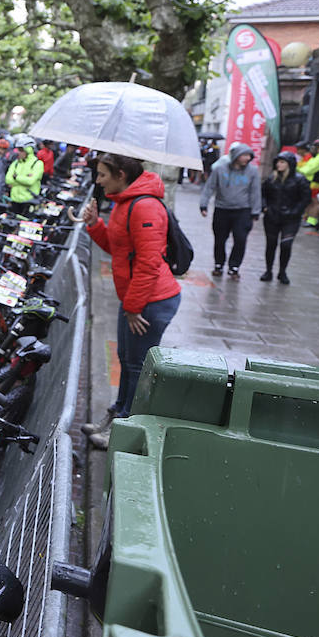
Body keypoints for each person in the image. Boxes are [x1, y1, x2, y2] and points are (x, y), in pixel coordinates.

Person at [79, 153, 181, 450]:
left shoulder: (145, 206)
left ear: (121, 174)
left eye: (102, 175)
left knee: (137, 366)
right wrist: (96, 224)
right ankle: (117, 413)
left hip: (151, 301)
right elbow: (119, 249)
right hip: (136, 299)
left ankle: (125, 426)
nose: (97, 181)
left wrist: (134, 307)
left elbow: (149, 263)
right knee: (127, 360)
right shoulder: (124, 202)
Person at [199, 142, 261, 278]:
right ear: (237, 156)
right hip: (222, 209)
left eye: (249, 156)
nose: (247, 158)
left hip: (243, 210)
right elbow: (209, 187)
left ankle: (234, 266)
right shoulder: (220, 169)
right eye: (244, 155)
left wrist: (256, 211)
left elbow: (255, 192)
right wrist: (204, 205)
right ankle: (219, 264)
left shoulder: (252, 171)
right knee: (220, 239)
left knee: (240, 239)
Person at [260, 151, 311, 284]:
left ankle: (282, 272)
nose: (279, 164)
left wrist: (295, 212)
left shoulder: (300, 180)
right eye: (278, 162)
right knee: (271, 245)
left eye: (282, 162)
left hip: (291, 219)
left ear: (290, 164)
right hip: (272, 216)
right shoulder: (271, 178)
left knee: (286, 245)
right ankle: (268, 271)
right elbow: (262, 194)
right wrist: (264, 207)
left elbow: (305, 199)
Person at [4, 134, 45, 210]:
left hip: (29, 201)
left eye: (21, 150)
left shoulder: (37, 164)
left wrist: (16, 177)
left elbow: (30, 181)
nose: (18, 152)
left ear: (28, 150)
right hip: (14, 200)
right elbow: (8, 180)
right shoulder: (15, 163)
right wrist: (24, 179)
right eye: (18, 149)